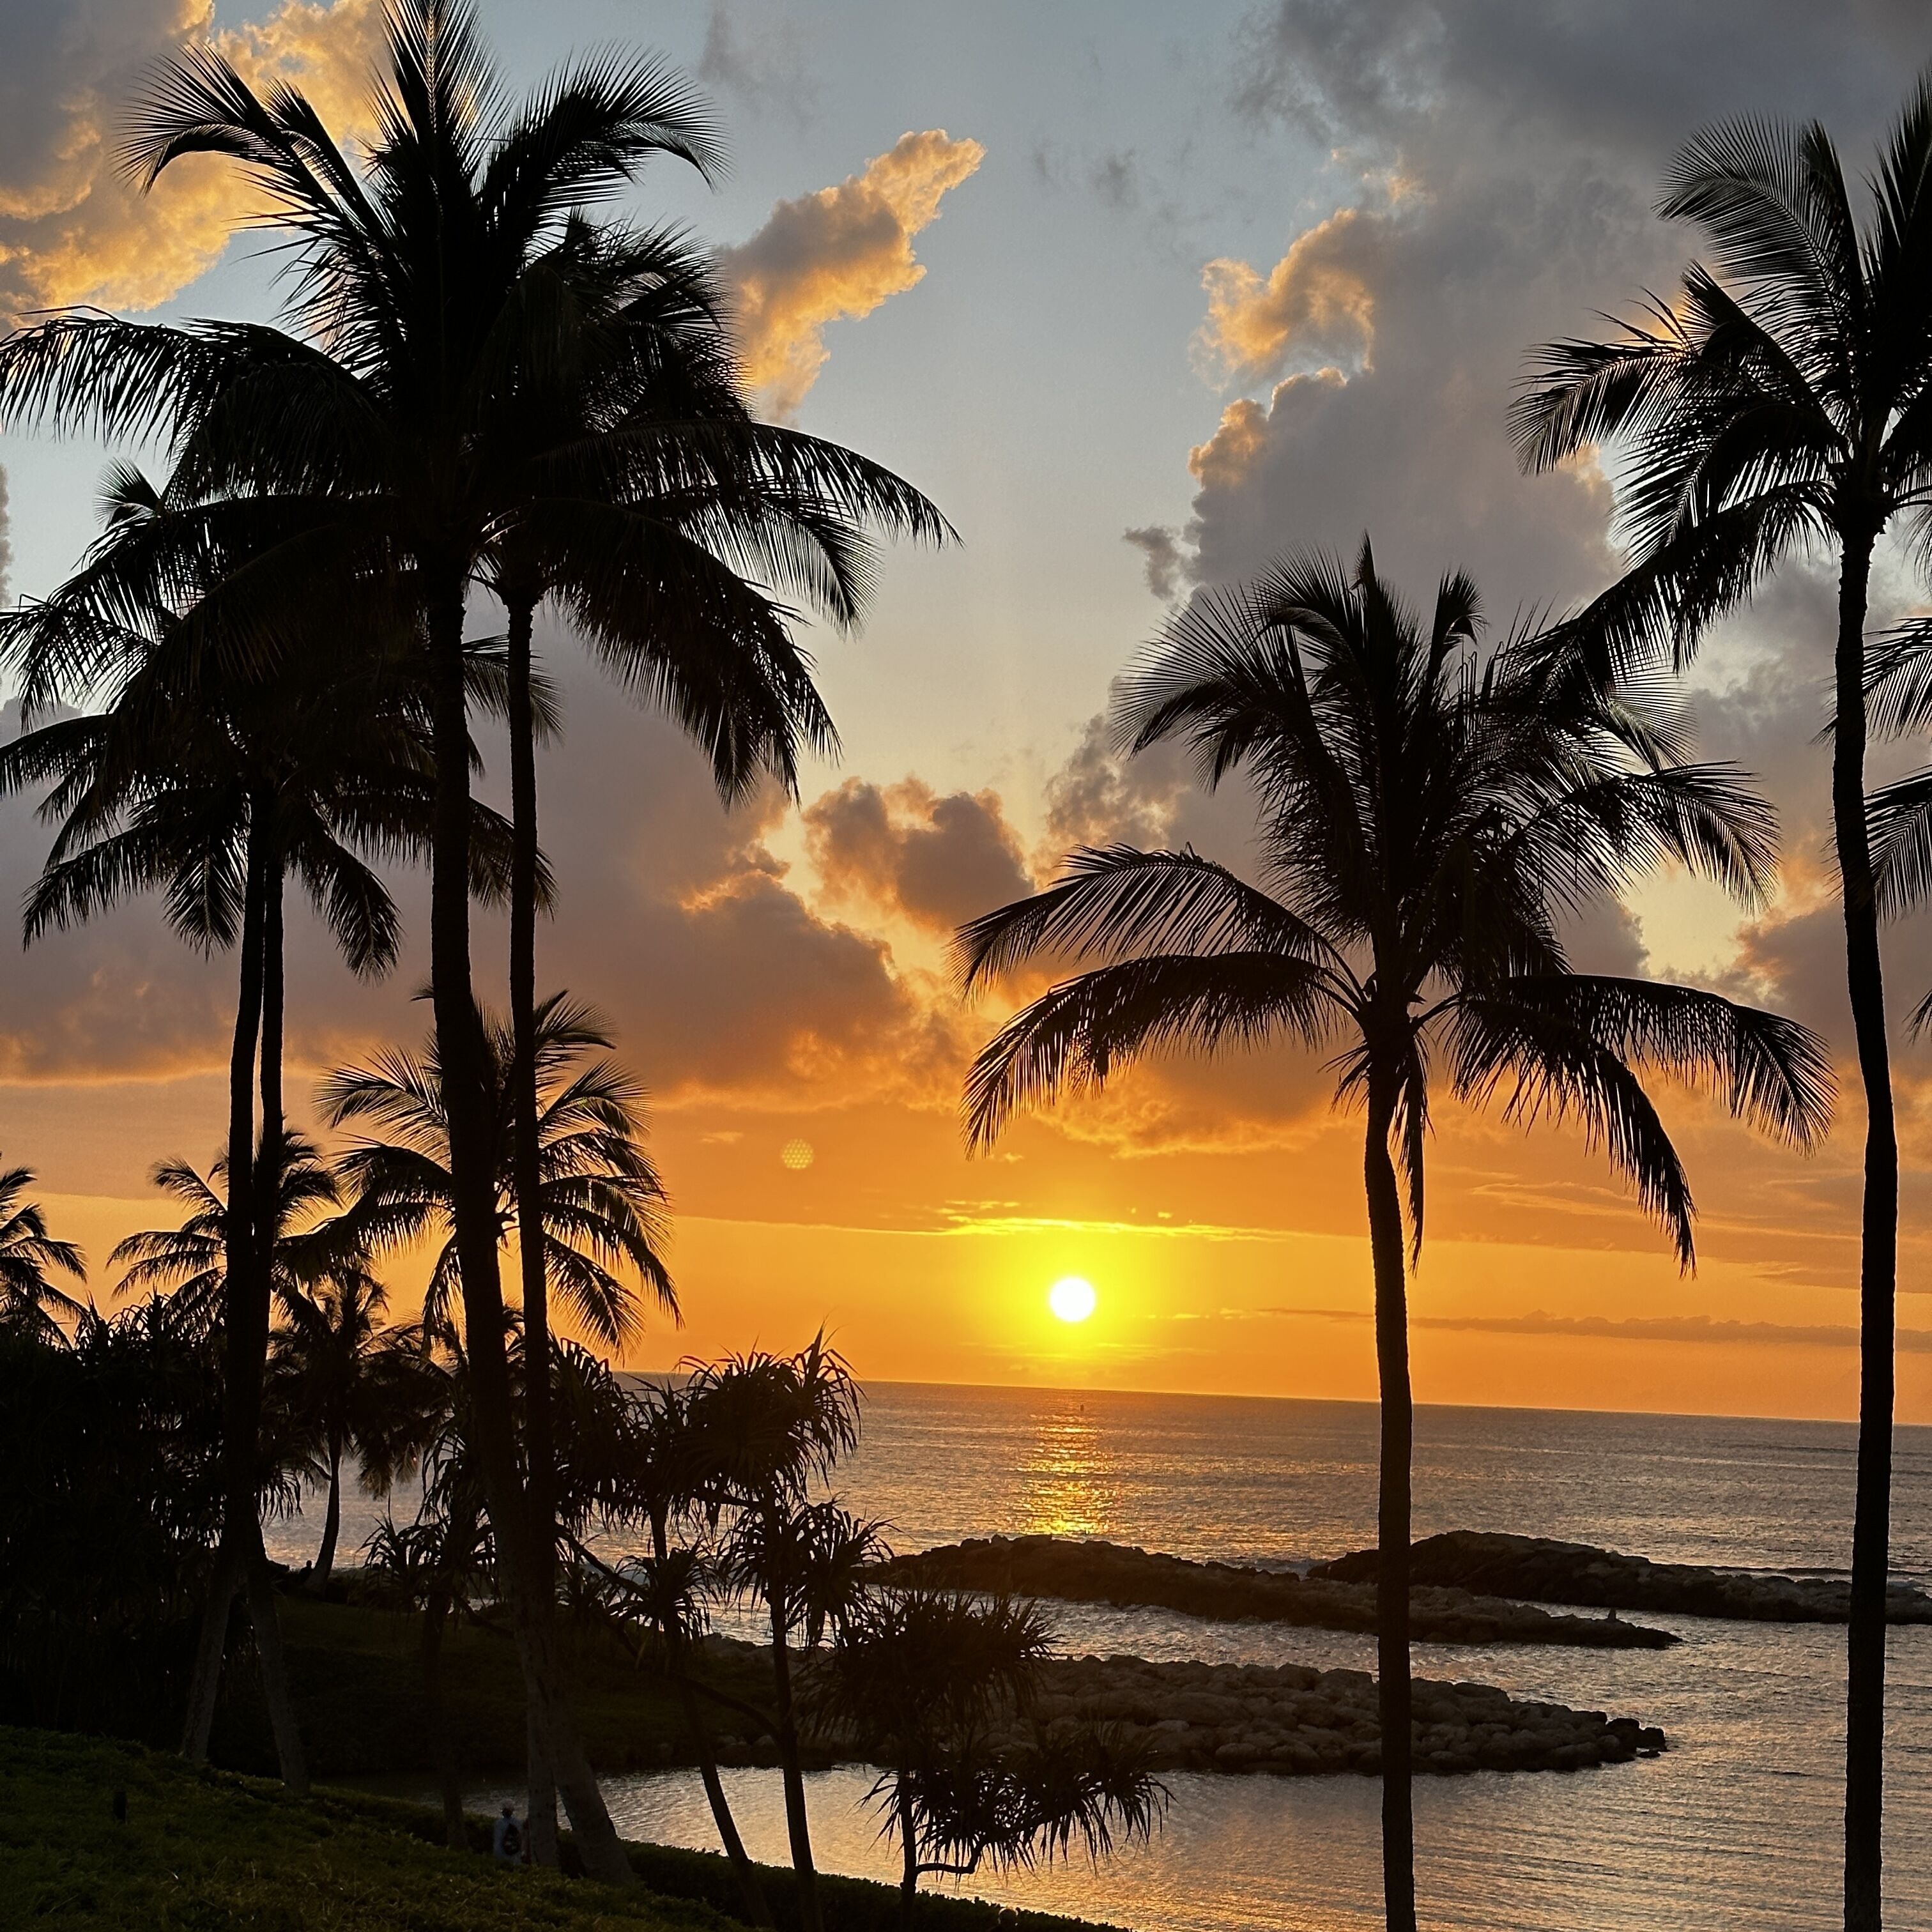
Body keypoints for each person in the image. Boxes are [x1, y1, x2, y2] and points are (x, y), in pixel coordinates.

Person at [492, 1800, 523, 1864]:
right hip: (516, 1857)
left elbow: (497, 1844)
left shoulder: (499, 1824)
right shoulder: (518, 1823)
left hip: (503, 1857)